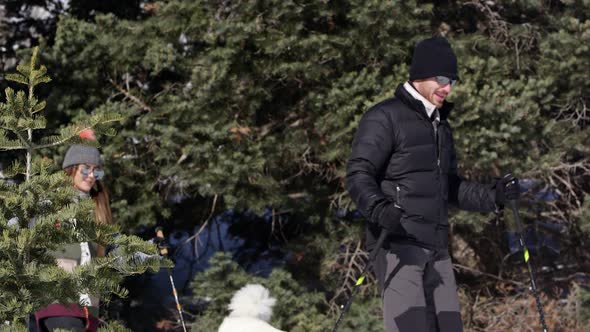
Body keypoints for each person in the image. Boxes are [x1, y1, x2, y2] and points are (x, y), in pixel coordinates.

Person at [345, 36, 520, 332]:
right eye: (441, 78)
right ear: (420, 75)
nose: (447, 88)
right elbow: (358, 174)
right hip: (398, 245)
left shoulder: (440, 125)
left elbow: (449, 187)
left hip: (436, 247)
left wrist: (494, 196)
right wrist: (378, 209)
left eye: (451, 80)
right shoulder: (384, 117)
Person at [31, 144, 108, 332]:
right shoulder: (52, 201)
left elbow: (107, 253)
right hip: (57, 301)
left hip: (87, 308)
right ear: (71, 169)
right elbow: (28, 236)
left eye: (96, 172)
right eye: (85, 170)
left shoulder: (96, 209)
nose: (91, 176)